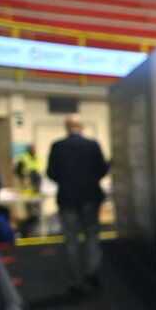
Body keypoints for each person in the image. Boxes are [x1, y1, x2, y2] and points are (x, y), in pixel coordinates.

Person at [47, 114, 109, 293]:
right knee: (92, 237)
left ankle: (76, 280)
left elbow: (51, 173)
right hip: (90, 197)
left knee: (71, 240)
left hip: (67, 199)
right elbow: (101, 170)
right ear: (81, 127)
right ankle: (92, 273)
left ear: (66, 127)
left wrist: (66, 181)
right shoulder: (92, 145)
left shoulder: (57, 147)